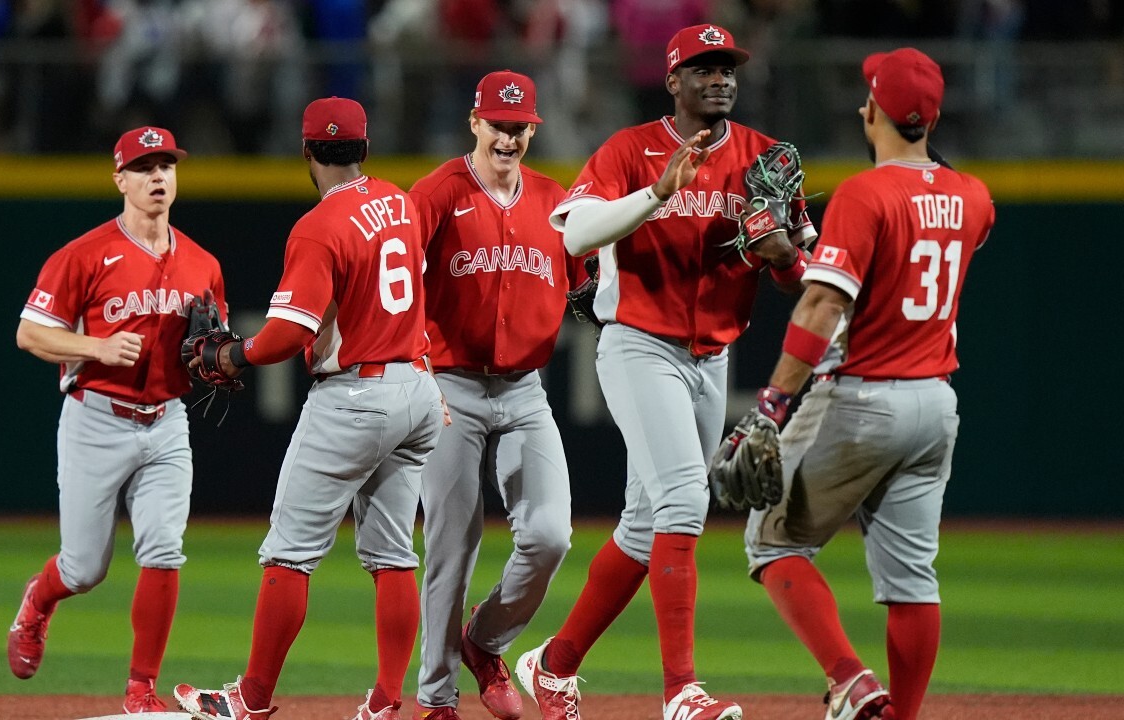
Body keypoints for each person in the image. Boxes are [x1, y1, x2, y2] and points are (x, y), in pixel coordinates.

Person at [514, 23, 818, 720]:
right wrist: (655, 193)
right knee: (685, 501)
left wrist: (781, 256)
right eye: (703, 68)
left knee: (645, 522)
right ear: (674, 81)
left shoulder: (763, 157)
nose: (720, 78)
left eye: (727, 67)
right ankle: (682, 692)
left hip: (713, 354)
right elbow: (576, 235)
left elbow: (798, 272)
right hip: (639, 344)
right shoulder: (630, 148)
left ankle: (552, 665)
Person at [173, 97, 445, 720]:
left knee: (289, 553)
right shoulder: (401, 201)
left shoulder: (318, 227)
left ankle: (252, 700)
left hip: (355, 397)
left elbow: (285, 336)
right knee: (394, 553)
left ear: (306, 152)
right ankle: (385, 699)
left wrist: (230, 355)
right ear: (365, 148)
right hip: (418, 390)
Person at [740, 48, 993, 720]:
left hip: (861, 400)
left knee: (773, 542)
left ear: (873, 109)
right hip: (935, 403)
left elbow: (825, 309)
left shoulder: (863, 193)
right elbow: (885, 280)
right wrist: (801, 257)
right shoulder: (975, 198)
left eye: (866, 97)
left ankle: (850, 681)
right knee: (913, 583)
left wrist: (769, 407)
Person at [9, 126, 227, 713]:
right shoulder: (83, 255)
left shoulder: (203, 264)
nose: (158, 177)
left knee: (163, 549)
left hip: (166, 423)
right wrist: (97, 348)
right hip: (96, 420)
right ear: (120, 179)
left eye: (166, 166)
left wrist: (218, 361)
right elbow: (30, 333)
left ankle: (141, 690)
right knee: (83, 568)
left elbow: (214, 350)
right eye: (144, 167)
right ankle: (38, 601)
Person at [409, 70, 576, 720]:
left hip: (525, 390)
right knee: (452, 540)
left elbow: (590, 278)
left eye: (519, 127)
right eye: (497, 125)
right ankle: (438, 699)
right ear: (475, 122)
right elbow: (398, 276)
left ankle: (486, 641)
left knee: (550, 534)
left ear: (532, 129)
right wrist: (417, 362)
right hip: (449, 381)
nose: (507, 137)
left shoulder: (554, 200)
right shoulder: (436, 193)